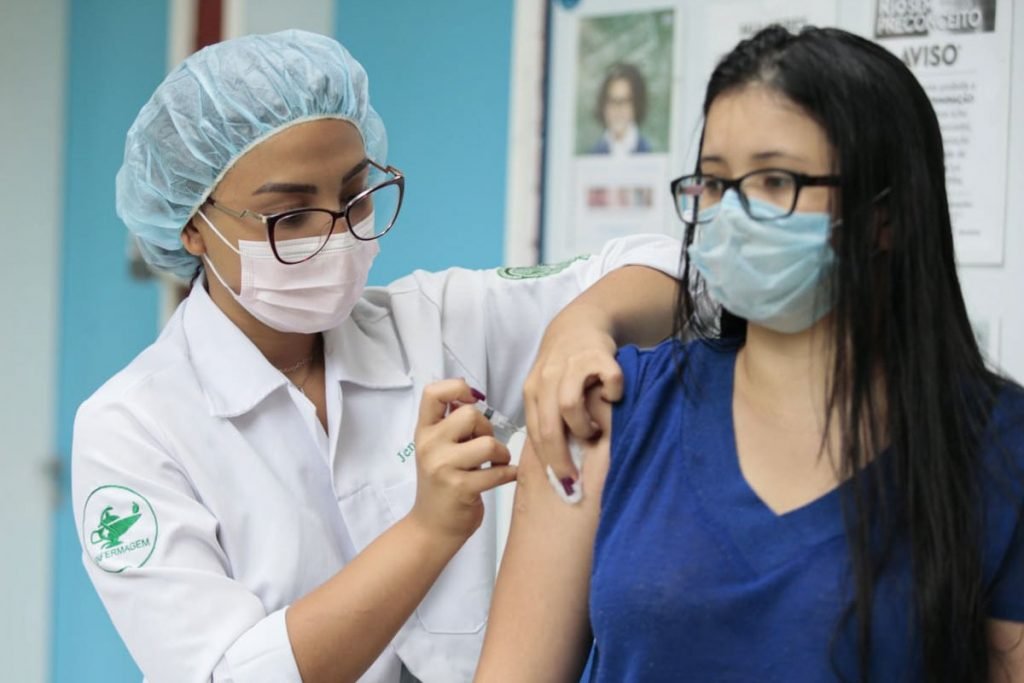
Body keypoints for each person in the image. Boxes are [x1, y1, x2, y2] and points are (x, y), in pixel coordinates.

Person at [71, 30, 682, 683]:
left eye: (356, 196)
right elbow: (226, 674)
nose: (339, 233)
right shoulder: (132, 427)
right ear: (194, 225)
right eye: (291, 215)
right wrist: (426, 531)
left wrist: (587, 320)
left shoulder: (430, 324)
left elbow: (672, 269)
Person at [477, 25, 1024, 682]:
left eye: (773, 180)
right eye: (712, 183)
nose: (730, 213)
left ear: (886, 216)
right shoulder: (606, 415)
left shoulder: (996, 448)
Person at [587, 63, 654, 156]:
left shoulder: (650, 153)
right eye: (612, 100)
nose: (618, 109)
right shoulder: (592, 156)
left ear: (636, 104)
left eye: (625, 101)